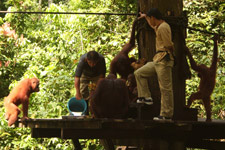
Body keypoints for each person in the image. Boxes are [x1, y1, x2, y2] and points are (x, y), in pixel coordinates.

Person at [134, 8, 175, 120]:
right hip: (157, 60)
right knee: (139, 73)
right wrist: (145, 16)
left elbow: (168, 44)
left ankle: (166, 114)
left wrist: (170, 55)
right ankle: (146, 97)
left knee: (165, 88)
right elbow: (152, 25)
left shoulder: (164, 27)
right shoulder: (158, 26)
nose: (150, 21)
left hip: (163, 59)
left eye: (150, 18)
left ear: (153, 18)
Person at [74, 50, 106, 115]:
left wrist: (97, 87)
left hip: (97, 75)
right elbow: (77, 78)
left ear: (97, 60)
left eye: (94, 63)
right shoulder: (82, 60)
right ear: (86, 60)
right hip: (85, 75)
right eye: (90, 62)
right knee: (82, 91)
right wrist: (77, 92)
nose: (92, 65)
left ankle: (96, 112)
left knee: (98, 92)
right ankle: (85, 112)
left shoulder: (101, 59)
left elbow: (102, 76)